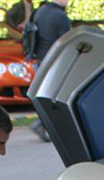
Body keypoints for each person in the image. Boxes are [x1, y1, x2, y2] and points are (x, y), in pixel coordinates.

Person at [31, 0, 72, 142]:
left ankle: (43, 123)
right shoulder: (60, 16)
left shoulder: (41, 11)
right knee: (58, 96)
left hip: (41, 60)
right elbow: (68, 43)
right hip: (56, 62)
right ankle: (44, 124)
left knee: (48, 96)